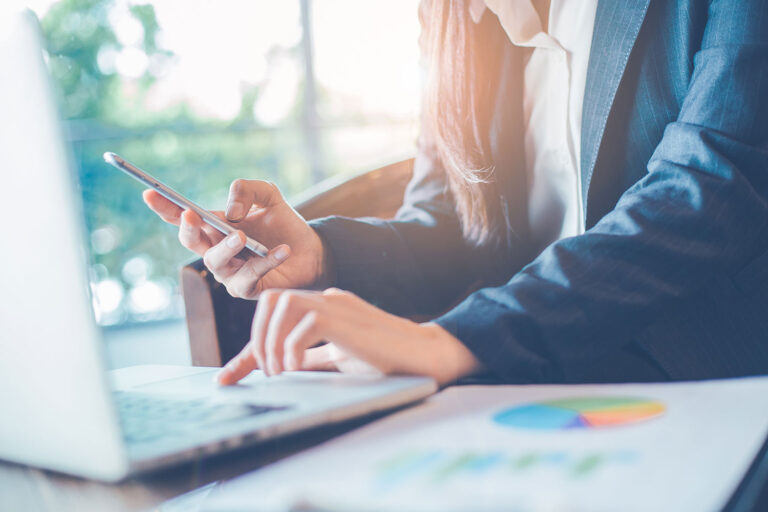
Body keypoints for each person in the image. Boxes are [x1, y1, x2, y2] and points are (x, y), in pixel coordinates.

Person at [145, 0, 768, 386]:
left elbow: (708, 189)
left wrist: (454, 340)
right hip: (522, 375)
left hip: (705, 372)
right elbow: (452, 223)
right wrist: (319, 254)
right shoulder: (451, 17)